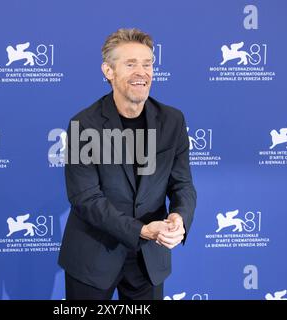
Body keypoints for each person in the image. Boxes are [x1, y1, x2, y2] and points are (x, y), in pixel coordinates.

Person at [58, 28, 196, 300]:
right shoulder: (84, 125)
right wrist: (141, 230)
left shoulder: (173, 121)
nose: (141, 72)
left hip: (149, 261)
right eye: (130, 64)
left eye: (147, 64)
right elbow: (85, 198)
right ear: (108, 71)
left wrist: (180, 218)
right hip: (94, 258)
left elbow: (183, 185)